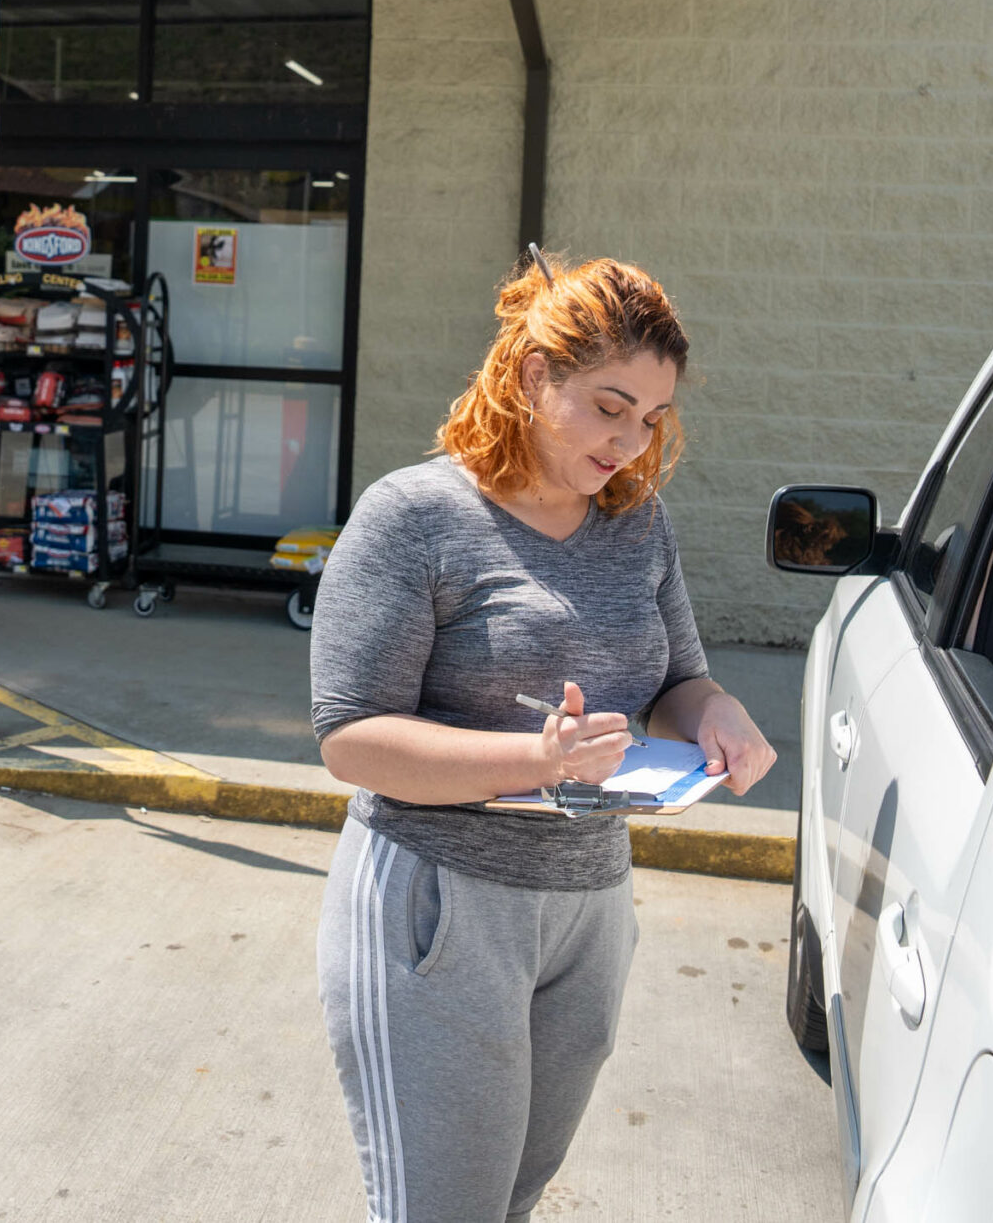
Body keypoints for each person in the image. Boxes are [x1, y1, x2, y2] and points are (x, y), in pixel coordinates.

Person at [309, 251, 776, 1223]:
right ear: (532, 376)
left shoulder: (637, 525)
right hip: (440, 904)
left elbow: (678, 683)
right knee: (442, 1208)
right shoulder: (415, 519)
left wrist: (715, 714)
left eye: (650, 417)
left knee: (510, 1200)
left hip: (589, 907)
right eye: (609, 406)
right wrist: (534, 761)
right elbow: (352, 739)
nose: (631, 440)